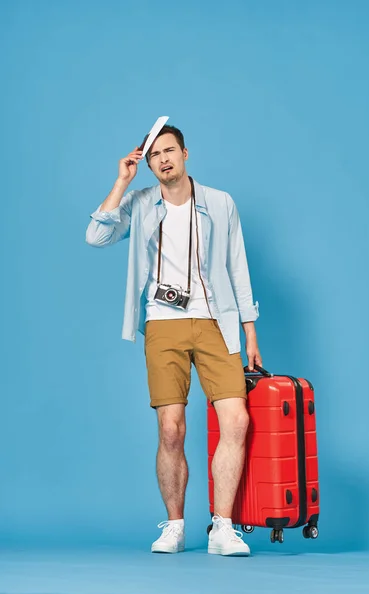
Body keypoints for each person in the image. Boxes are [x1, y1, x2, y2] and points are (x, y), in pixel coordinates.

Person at [86, 125, 262, 556]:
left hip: (216, 322)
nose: (163, 160)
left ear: (185, 153)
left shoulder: (221, 203)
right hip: (163, 323)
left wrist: (250, 331)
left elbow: (237, 267)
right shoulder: (141, 202)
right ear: (147, 164)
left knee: (236, 420)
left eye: (169, 151)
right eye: (153, 156)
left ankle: (222, 527)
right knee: (171, 430)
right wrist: (122, 181)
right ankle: (176, 525)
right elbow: (96, 236)